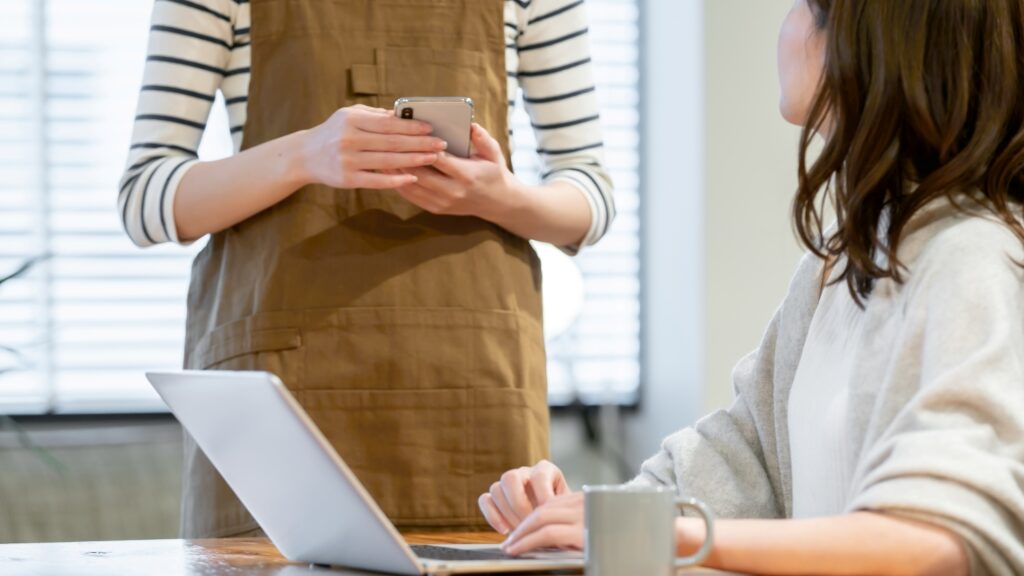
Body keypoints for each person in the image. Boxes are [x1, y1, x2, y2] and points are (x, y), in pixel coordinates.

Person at [478, 0, 1024, 573]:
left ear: (870, 44)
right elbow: (739, 460)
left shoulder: (976, 256)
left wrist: (662, 534)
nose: (784, 25)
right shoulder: (836, 266)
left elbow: (939, 537)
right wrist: (579, 511)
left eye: (801, 6)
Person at [118, 0, 614, 538]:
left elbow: (590, 198)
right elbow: (144, 197)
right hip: (281, 386)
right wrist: (307, 154)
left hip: (477, 383)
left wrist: (499, 197)